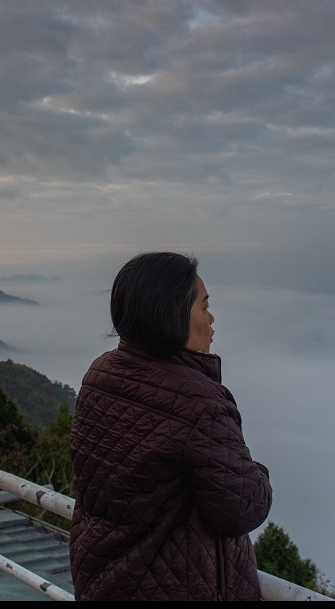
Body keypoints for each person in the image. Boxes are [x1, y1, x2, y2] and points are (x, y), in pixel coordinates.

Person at [69, 251, 273, 601]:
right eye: (204, 306)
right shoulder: (199, 403)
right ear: (172, 316)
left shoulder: (100, 375)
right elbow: (244, 507)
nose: (212, 319)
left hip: (104, 583)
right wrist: (256, 471)